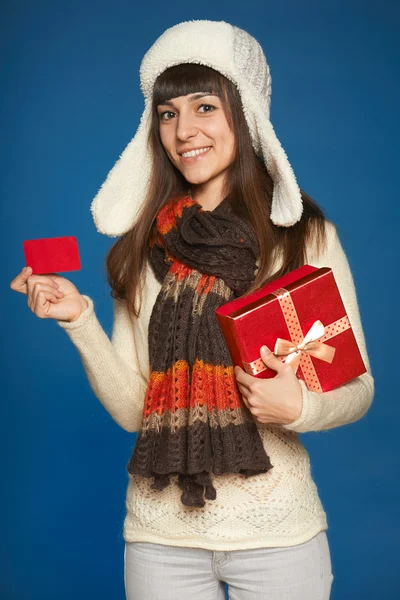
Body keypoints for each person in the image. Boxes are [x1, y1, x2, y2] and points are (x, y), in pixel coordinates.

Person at [10, 19, 374, 600]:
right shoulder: (139, 248)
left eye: (205, 106)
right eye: (168, 113)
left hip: (278, 532)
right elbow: (137, 412)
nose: (184, 131)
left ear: (246, 112)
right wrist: (79, 322)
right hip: (160, 538)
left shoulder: (301, 237)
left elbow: (358, 388)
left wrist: (300, 405)